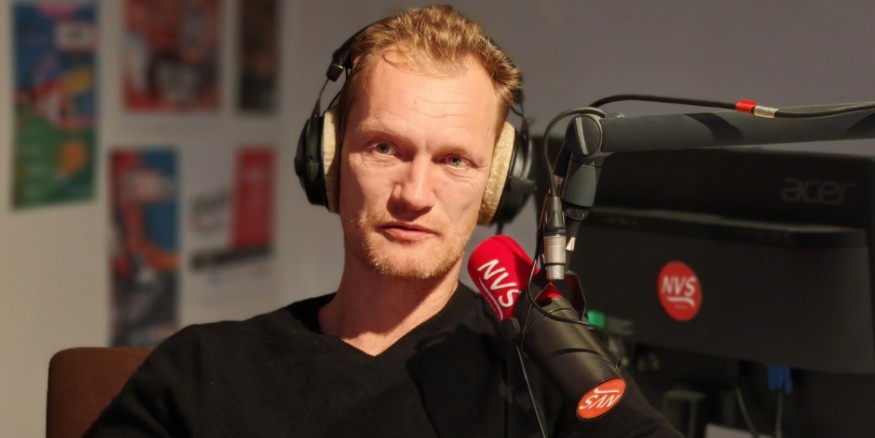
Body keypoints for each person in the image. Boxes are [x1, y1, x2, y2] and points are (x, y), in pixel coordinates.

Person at [87, 5, 681, 437]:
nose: (414, 194)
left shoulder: (547, 377)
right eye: (384, 148)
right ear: (329, 162)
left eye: (454, 160)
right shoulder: (204, 370)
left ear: (496, 185)